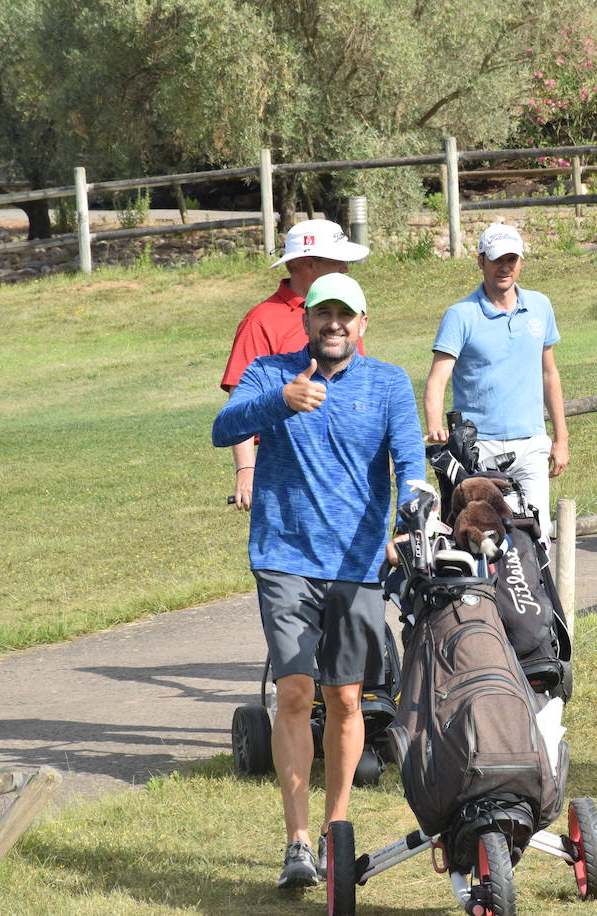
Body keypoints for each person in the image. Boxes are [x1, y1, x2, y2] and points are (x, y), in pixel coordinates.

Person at [212, 272, 424, 889]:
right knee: (296, 693)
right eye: (323, 314)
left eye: (345, 315)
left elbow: (409, 459)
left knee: (348, 698)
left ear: (363, 324)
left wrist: (411, 515)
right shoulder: (272, 374)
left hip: (358, 563)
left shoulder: (387, 382)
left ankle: (337, 830)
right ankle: (298, 842)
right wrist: (280, 401)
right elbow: (224, 428)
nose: (334, 324)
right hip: (283, 556)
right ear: (306, 321)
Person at [423, 223, 569, 535]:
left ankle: (536, 586)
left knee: (537, 534)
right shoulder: (460, 315)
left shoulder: (540, 306)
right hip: (479, 447)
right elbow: (437, 379)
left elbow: (549, 373)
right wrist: (436, 428)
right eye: (497, 260)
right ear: (481, 262)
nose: (505, 268)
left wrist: (562, 439)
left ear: (521, 263)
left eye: (511, 260)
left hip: (531, 443)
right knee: (485, 538)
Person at [220, 218, 369, 511]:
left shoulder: (347, 316)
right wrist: (246, 471)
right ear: (310, 263)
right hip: (285, 465)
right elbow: (240, 402)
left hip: (344, 462)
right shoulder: (260, 321)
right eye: (338, 260)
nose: (346, 268)